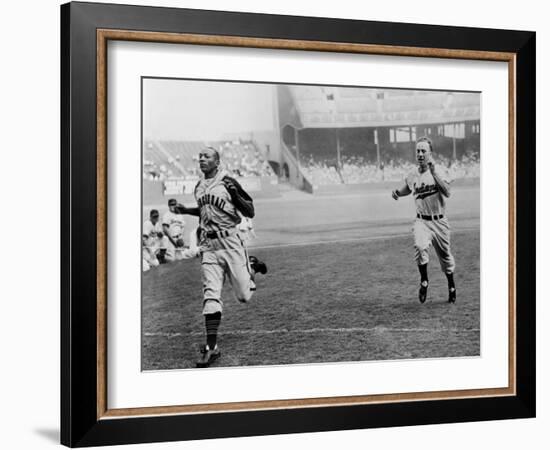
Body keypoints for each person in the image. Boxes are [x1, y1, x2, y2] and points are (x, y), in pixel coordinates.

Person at [176, 146, 267, 368]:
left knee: (244, 296)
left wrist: (235, 195)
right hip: (209, 245)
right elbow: (205, 209)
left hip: (231, 243)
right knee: (210, 296)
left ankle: (251, 267)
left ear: (217, 162)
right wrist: (186, 211)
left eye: (206, 156)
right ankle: (211, 348)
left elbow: (250, 211)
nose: (201, 159)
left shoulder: (228, 182)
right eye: (200, 156)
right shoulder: (199, 187)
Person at [391, 137, 456, 304]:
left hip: (439, 221)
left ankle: (451, 285)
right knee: (420, 247)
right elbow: (408, 187)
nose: (420, 154)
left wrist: (434, 173)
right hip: (422, 221)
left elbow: (447, 192)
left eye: (423, 151)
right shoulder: (412, 173)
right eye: (417, 151)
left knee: (445, 257)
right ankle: (424, 281)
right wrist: (398, 193)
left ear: (430, 153)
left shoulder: (439, 170)